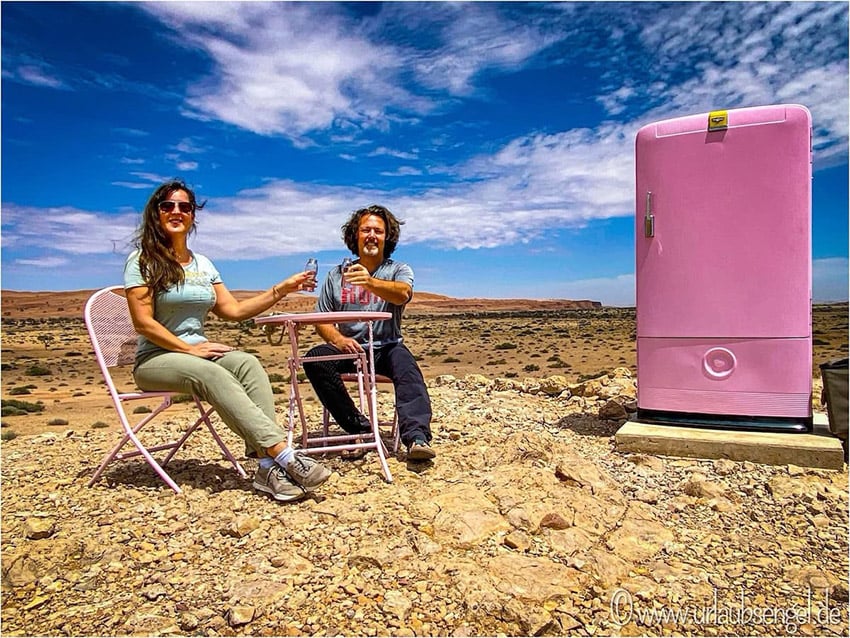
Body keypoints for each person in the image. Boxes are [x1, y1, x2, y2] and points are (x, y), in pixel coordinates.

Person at [124, 179, 330, 502]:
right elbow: (143, 323)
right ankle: (285, 455)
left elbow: (233, 310)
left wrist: (283, 289)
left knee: (247, 363)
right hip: (156, 360)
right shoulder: (142, 261)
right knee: (213, 373)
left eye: (184, 207)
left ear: (193, 215)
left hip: (195, 356)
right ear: (156, 213)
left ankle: (264, 465)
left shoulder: (202, 263)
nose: (176, 211)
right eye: (168, 206)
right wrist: (190, 349)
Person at [303, 205, 436, 461]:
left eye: (378, 231)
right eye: (366, 230)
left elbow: (403, 294)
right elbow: (321, 318)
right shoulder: (336, 275)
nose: (372, 235)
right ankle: (360, 428)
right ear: (356, 235)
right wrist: (339, 340)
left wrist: (370, 282)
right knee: (315, 359)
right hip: (350, 350)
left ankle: (417, 437)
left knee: (408, 370)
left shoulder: (399, 270)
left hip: (387, 347)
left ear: (388, 237)